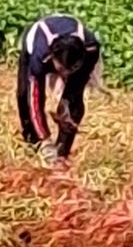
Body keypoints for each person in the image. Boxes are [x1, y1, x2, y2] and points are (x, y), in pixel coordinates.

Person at [17, 13, 102, 165]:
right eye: (61, 69)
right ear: (52, 57)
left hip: (77, 57)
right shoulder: (40, 54)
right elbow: (34, 100)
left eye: (71, 69)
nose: (64, 74)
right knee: (24, 95)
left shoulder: (91, 49)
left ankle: (62, 153)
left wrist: (66, 110)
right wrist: (45, 139)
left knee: (71, 104)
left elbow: (75, 89)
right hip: (38, 40)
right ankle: (34, 142)